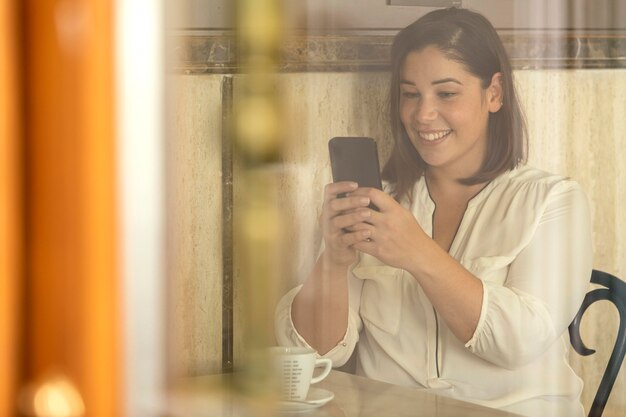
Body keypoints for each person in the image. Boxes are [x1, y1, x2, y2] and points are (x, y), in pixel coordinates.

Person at [274, 7, 592, 417]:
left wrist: (417, 252)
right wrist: (334, 262)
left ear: (494, 93)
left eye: (446, 93)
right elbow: (317, 353)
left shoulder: (553, 201)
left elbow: (520, 342)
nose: (423, 115)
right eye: (410, 94)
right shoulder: (377, 200)